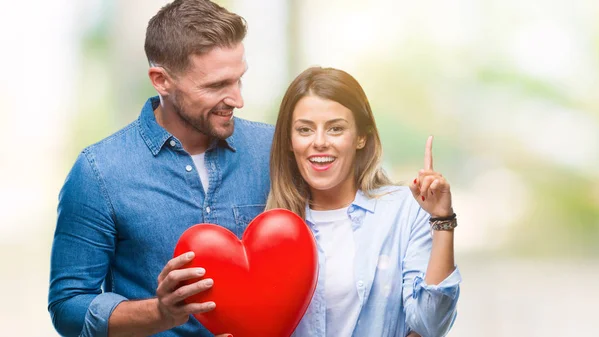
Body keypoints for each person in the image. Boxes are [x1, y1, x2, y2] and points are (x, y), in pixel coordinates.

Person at [48, 1, 273, 336]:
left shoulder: (272, 150)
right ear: (161, 80)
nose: (237, 100)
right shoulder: (99, 172)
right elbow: (67, 306)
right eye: (216, 86)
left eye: (239, 80)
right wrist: (159, 312)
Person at [266, 67, 461, 337]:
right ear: (289, 140)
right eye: (305, 130)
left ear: (361, 137)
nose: (319, 142)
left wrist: (442, 221)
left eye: (335, 128)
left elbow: (430, 325)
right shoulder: (271, 227)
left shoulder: (405, 210)